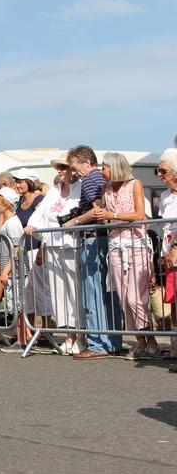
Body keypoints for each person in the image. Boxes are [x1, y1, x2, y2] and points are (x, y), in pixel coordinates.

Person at [93, 152, 158, 360]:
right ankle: (141, 342)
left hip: (136, 244)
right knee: (123, 298)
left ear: (115, 167)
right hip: (116, 245)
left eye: (104, 167)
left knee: (135, 298)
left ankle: (153, 342)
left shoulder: (135, 184)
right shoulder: (106, 189)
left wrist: (111, 215)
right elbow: (106, 218)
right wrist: (100, 215)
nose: (101, 171)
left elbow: (139, 215)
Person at [66, 145, 122, 359]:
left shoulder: (90, 179)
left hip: (94, 240)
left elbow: (97, 210)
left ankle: (98, 343)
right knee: (106, 293)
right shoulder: (102, 179)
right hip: (105, 239)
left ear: (87, 162)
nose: (74, 172)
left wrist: (74, 221)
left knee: (93, 292)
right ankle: (111, 341)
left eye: (75, 167)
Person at [26, 155, 83, 355]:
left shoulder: (80, 188)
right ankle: (68, 334)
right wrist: (33, 225)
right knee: (59, 292)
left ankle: (80, 335)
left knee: (74, 291)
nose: (60, 170)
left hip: (70, 245)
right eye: (58, 167)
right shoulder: (53, 191)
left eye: (63, 167)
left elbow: (78, 213)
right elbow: (40, 212)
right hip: (52, 246)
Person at [14, 168, 53, 347]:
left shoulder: (39, 200)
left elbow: (44, 225)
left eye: (21, 181)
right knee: (28, 292)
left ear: (29, 182)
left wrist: (41, 251)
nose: (17, 184)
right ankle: (29, 330)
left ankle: (46, 329)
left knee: (42, 290)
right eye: (16, 181)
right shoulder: (20, 200)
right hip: (25, 249)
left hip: (38, 250)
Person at [0, 187, 26, 349]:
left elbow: (17, 249)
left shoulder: (12, 223)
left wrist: (6, 270)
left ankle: (21, 339)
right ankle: (20, 338)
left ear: (6, 203)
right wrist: (1, 263)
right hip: (9, 266)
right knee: (14, 305)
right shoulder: (9, 222)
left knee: (18, 305)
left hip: (15, 270)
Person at [156, 148, 177, 369]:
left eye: (163, 171)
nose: (160, 175)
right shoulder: (164, 196)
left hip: (176, 250)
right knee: (173, 302)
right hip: (169, 252)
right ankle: (175, 348)